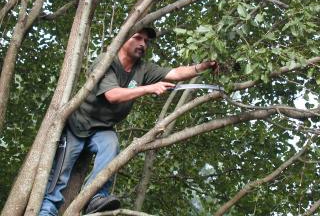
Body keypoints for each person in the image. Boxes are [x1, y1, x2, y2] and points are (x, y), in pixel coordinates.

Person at [39, 27, 218, 215]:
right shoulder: (106, 61)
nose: (142, 44)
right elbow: (112, 95)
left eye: (146, 41)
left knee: (112, 145)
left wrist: (203, 66)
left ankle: (95, 198)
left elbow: (175, 73)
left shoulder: (143, 68)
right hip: (76, 127)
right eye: (138, 38)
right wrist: (149, 88)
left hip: (103, 129)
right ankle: (46, 212)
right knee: (57, 180)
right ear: (123, 39)